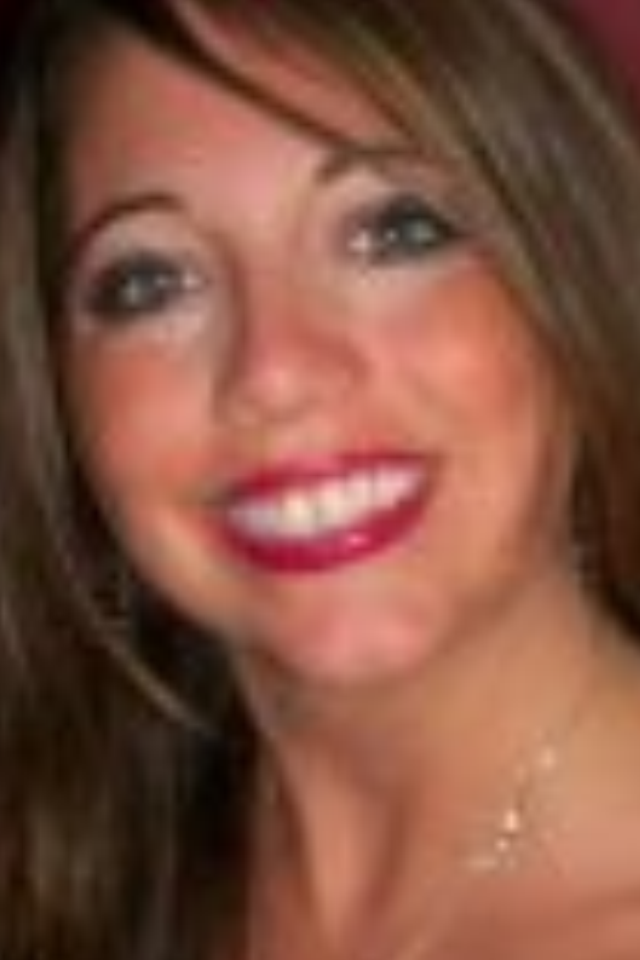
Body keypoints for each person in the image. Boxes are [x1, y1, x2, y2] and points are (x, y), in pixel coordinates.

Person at [2, 0, 640, 957]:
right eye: (151, 283)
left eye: (395, 231)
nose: (277, 371)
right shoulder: (54, 872)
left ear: (574, 263)